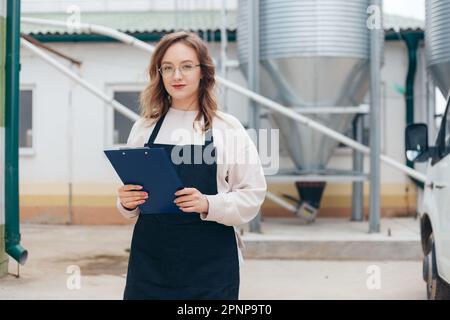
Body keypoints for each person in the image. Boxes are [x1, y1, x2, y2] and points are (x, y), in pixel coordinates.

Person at [116, 31, 267, 300]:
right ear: (159, 73)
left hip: (210, 268)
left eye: (186, 66)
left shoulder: (227, 129)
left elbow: (252, 196)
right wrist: (127, 201)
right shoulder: (144, 128)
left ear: (203, 72)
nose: (177, 76)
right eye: (168, 68)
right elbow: (132, 199)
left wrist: (209, 203)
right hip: (151, 265)